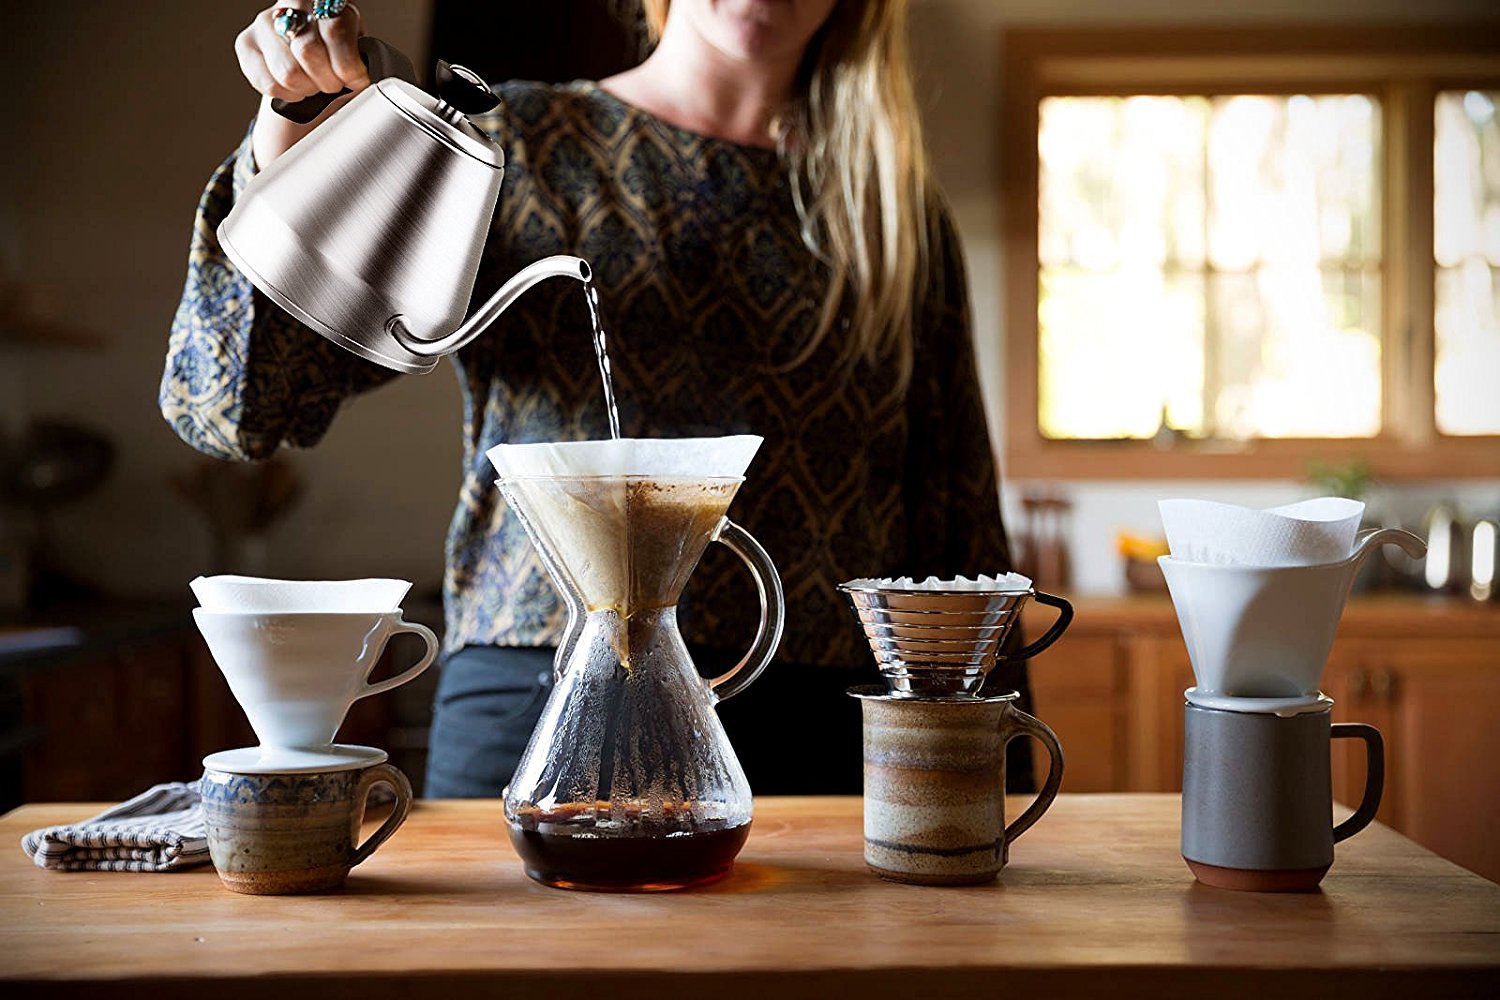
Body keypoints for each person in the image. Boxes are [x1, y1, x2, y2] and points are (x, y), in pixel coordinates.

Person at [162, 0, 1034, 797]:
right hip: (535, 700)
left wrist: (998, 779)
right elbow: (241, 407)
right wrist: (291, 131)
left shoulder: (892, 211)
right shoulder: (511, 141)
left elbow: (956, 531)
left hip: (816, 721)